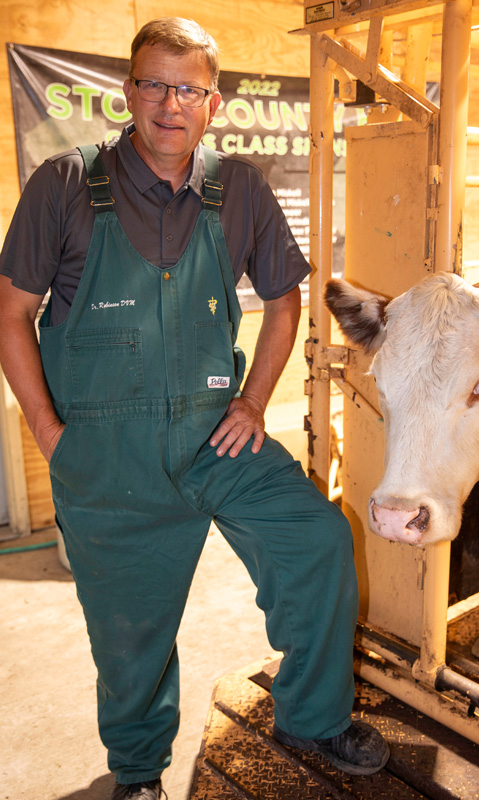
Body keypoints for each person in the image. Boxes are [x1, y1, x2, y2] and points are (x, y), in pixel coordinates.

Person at [0, 17, 389, 800]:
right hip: (109, 452)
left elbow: (286, 301)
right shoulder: (69, 184)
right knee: (130, 634)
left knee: (318, 543)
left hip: (220, 435)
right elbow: (11, 313)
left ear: (212, 101)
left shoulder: (238, 185)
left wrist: (254, 401)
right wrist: (51, 435)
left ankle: (310, 714)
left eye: (188, 88)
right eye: (153, 83)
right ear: (128, 91)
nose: (169, 103)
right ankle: (140, 773)